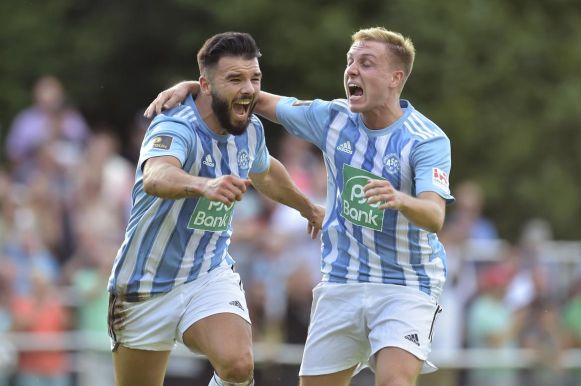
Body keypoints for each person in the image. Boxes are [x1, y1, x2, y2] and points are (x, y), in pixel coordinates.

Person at [146, 26, 454, 386]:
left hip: (406, 284)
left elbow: (434, 217)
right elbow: (250, 97)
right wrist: (196, 87)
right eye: (350, 62)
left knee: (394, 383)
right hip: (342, 281)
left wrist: (400, 198)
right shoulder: (333, 119)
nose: (352, 71)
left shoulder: (426, 139)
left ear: (395, 77)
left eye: (366, 64)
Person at [110, 32, 324, 386]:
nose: (249, 89)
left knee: (238, 364)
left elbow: (266, 171)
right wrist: (203, 184)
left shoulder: (250, 128)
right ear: (205, 85)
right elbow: (156, 175)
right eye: (235, 79)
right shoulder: (175, 123)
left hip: (207, 275)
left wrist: (308, 207)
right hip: (143, 284)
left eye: (255, 78)